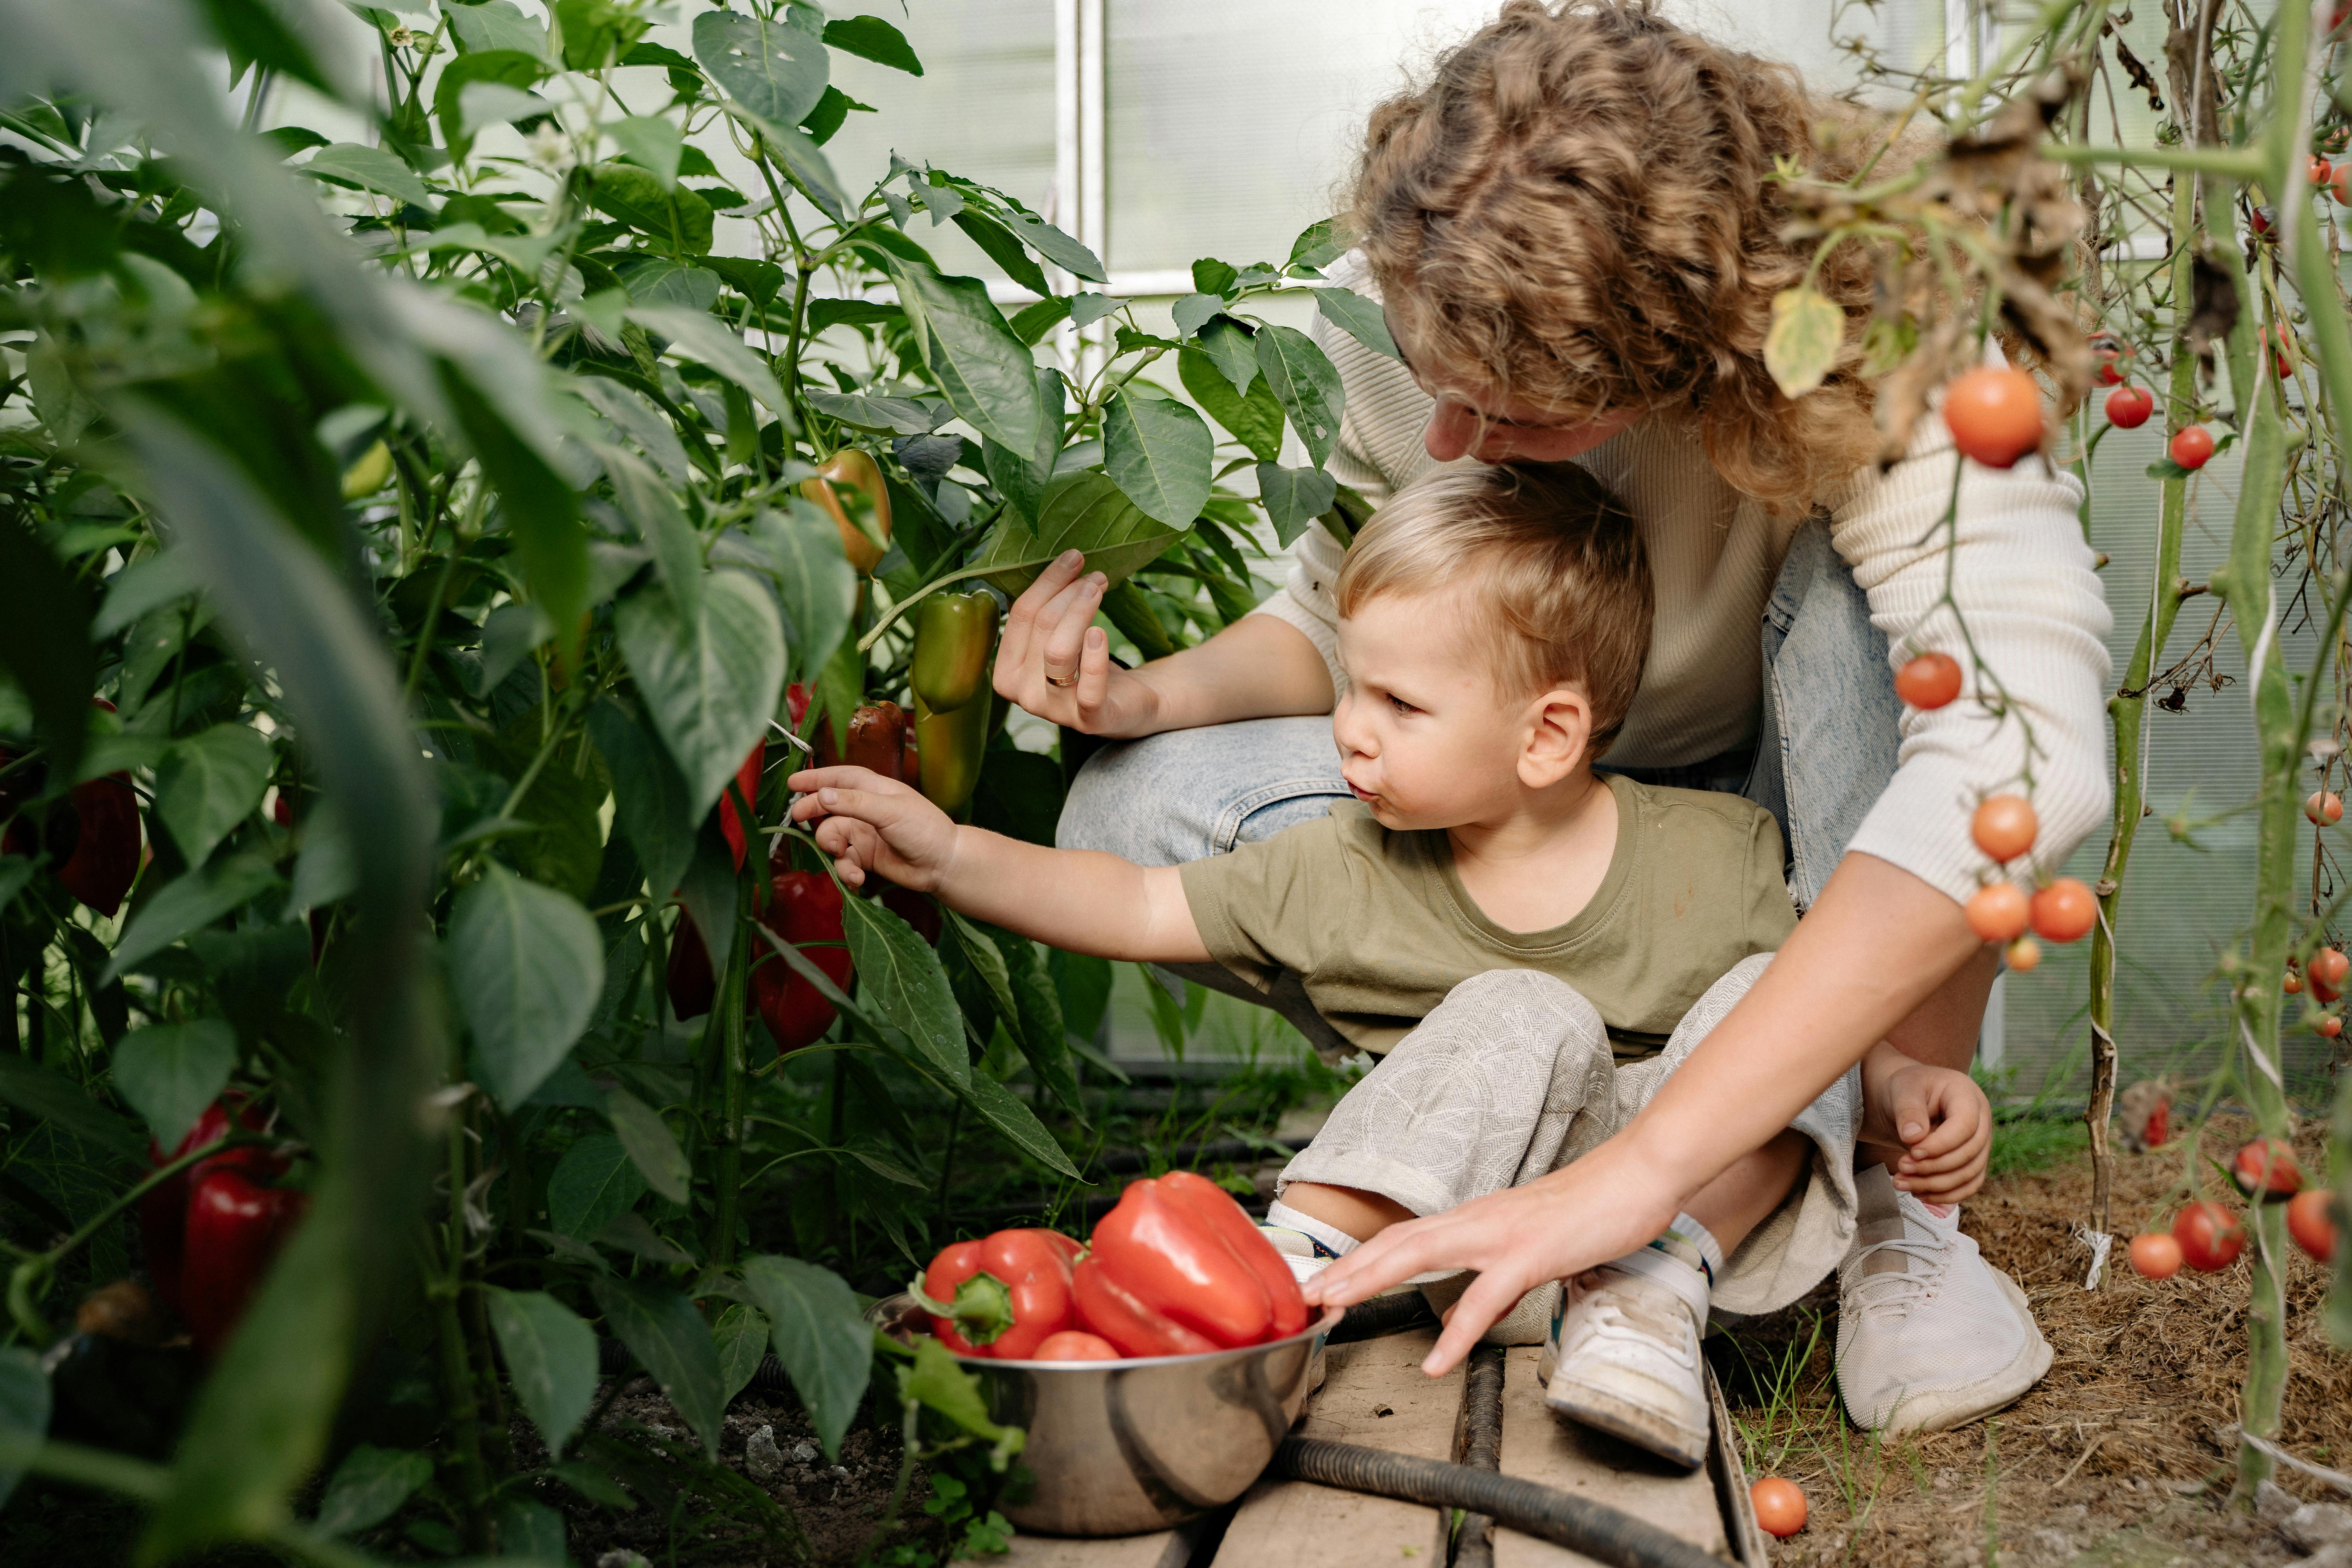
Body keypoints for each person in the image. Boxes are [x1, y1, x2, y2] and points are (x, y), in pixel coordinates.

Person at [991, 0, 2109, 1434]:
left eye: (1512, 415)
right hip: (1531, 821)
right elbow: (1337, 615)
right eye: (1433, 392)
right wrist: (1138, 697)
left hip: (1782, 828)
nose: (1449, 447)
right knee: (1137, 799)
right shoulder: (1425, 292)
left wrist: (1630, 1183)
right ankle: (1554, 1093)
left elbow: (2021, 749)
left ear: (1684, 351)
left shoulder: (1893, 335)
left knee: (1892, 632)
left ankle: (1868, 1179)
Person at [791, 463, 1996, 1466]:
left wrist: (1899, 1088)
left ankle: (1643, 1300)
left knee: (1770, 998)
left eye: (1397, 703)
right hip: (1462, 1239)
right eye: (1350, 685)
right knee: (1519, 1006)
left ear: (1549, 735)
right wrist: (949, 852)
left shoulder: (1718, 853)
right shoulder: (1348, 865)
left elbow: (1822, 1024)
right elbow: (1134, 896)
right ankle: (1281, 1283)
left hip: (1690, 1234)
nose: (1347, 729)